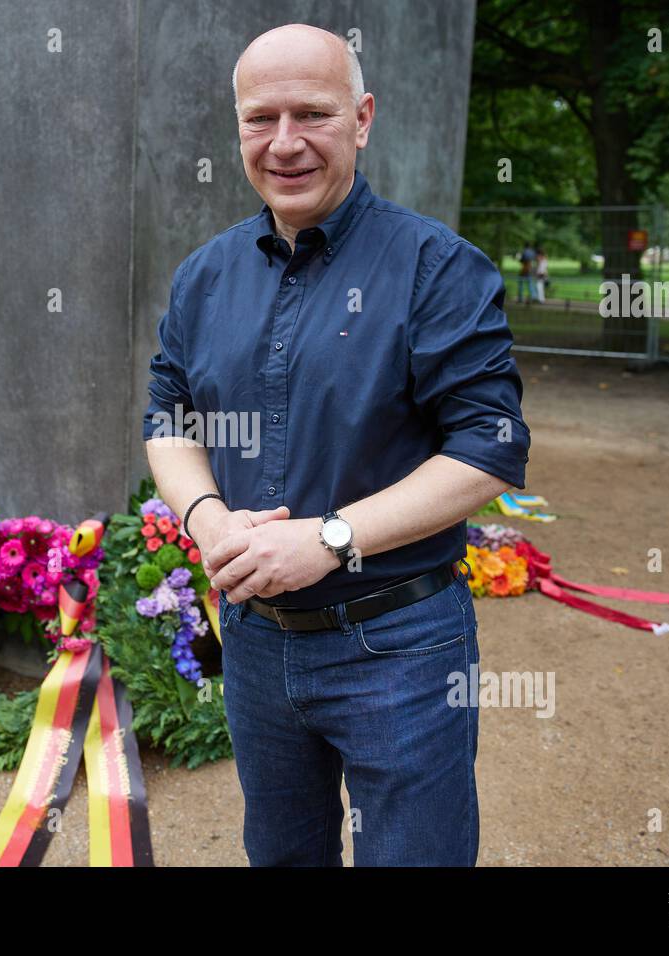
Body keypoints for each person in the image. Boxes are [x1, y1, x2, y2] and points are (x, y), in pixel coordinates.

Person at [142, 23, 530, 867]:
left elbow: (487, 449)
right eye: (260, 118)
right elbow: (167, 419)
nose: (284, 144)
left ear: (362, 118)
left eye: (312, 115)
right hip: (254, 641)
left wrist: (329, 540)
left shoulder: (437, 267)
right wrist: (210, 525)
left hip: (397, 646)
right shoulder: (204, 276)